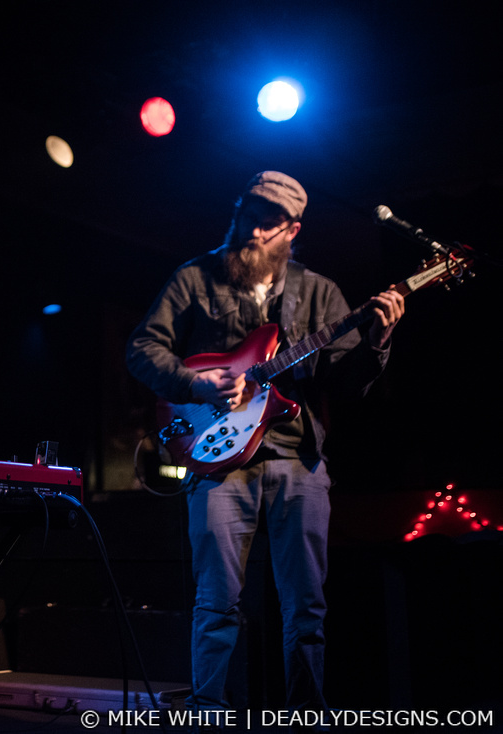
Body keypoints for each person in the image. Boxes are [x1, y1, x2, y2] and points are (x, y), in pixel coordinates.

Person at [126, 172, 404, 718]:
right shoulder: (195, 278)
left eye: (267, 221)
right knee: (215, 605)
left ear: (292, 229)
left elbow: (346, 385)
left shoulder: (319, 292)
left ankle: (305, 717)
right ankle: (209, 715)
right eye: (247, 213)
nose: (252, 228)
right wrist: (194, 382)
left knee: (307, 610)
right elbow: (141, 350)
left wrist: (378, 342)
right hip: (219, 463)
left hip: (298, 461)